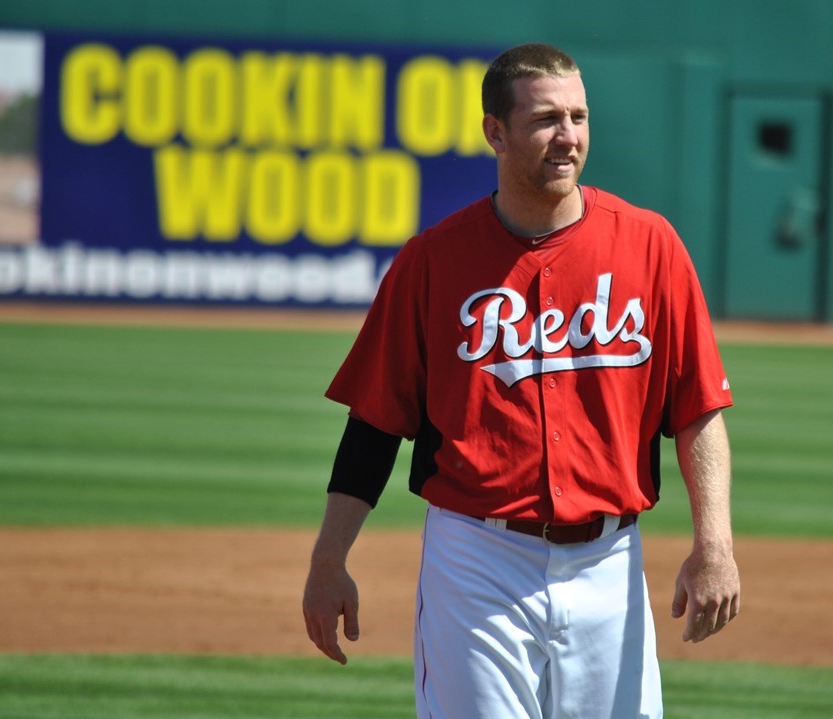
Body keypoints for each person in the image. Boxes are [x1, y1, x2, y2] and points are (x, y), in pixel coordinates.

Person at [302, 42, 740, 719]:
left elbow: (697, 411)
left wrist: (713, 544)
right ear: (495, 132)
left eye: (578, 116)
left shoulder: (649, 246)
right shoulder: (432, 262)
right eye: (545, 120)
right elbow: (374, 424)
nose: (567, 137)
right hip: (477, 560)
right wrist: (328, 558)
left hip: (609, 562)